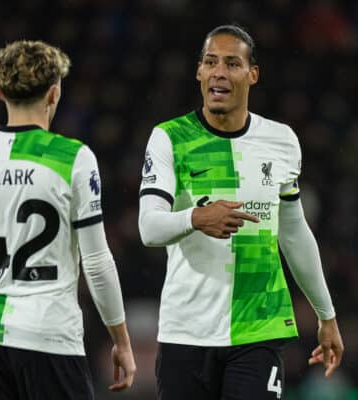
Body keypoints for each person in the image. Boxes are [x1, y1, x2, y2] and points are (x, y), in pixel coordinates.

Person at [138, 24, 343, 400]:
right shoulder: (169, 137)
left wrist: (325, 314)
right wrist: (197, 218)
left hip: (258, 328)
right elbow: (149, 228)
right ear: (199, 71)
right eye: (211, 62)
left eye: (232, 63)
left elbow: (294, 232)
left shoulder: (281, 141)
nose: (219, 71)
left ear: (252, 74)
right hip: (186, 330)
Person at [0, 40, 136, 400]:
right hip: (50, 337)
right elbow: (98, 263)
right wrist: (121, 341)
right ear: (54, 94)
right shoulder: (74, 158)